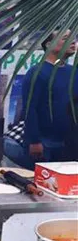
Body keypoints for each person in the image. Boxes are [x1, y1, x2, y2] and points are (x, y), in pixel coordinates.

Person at [21, 29, 77, 166]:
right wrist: (34, 141)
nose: (73, 42)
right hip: (45, 143)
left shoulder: (74, 72)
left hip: (70, 143)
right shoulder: (37, 72)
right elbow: (30, 108)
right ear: (49, 44)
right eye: (65, 38)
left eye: (74, 38)